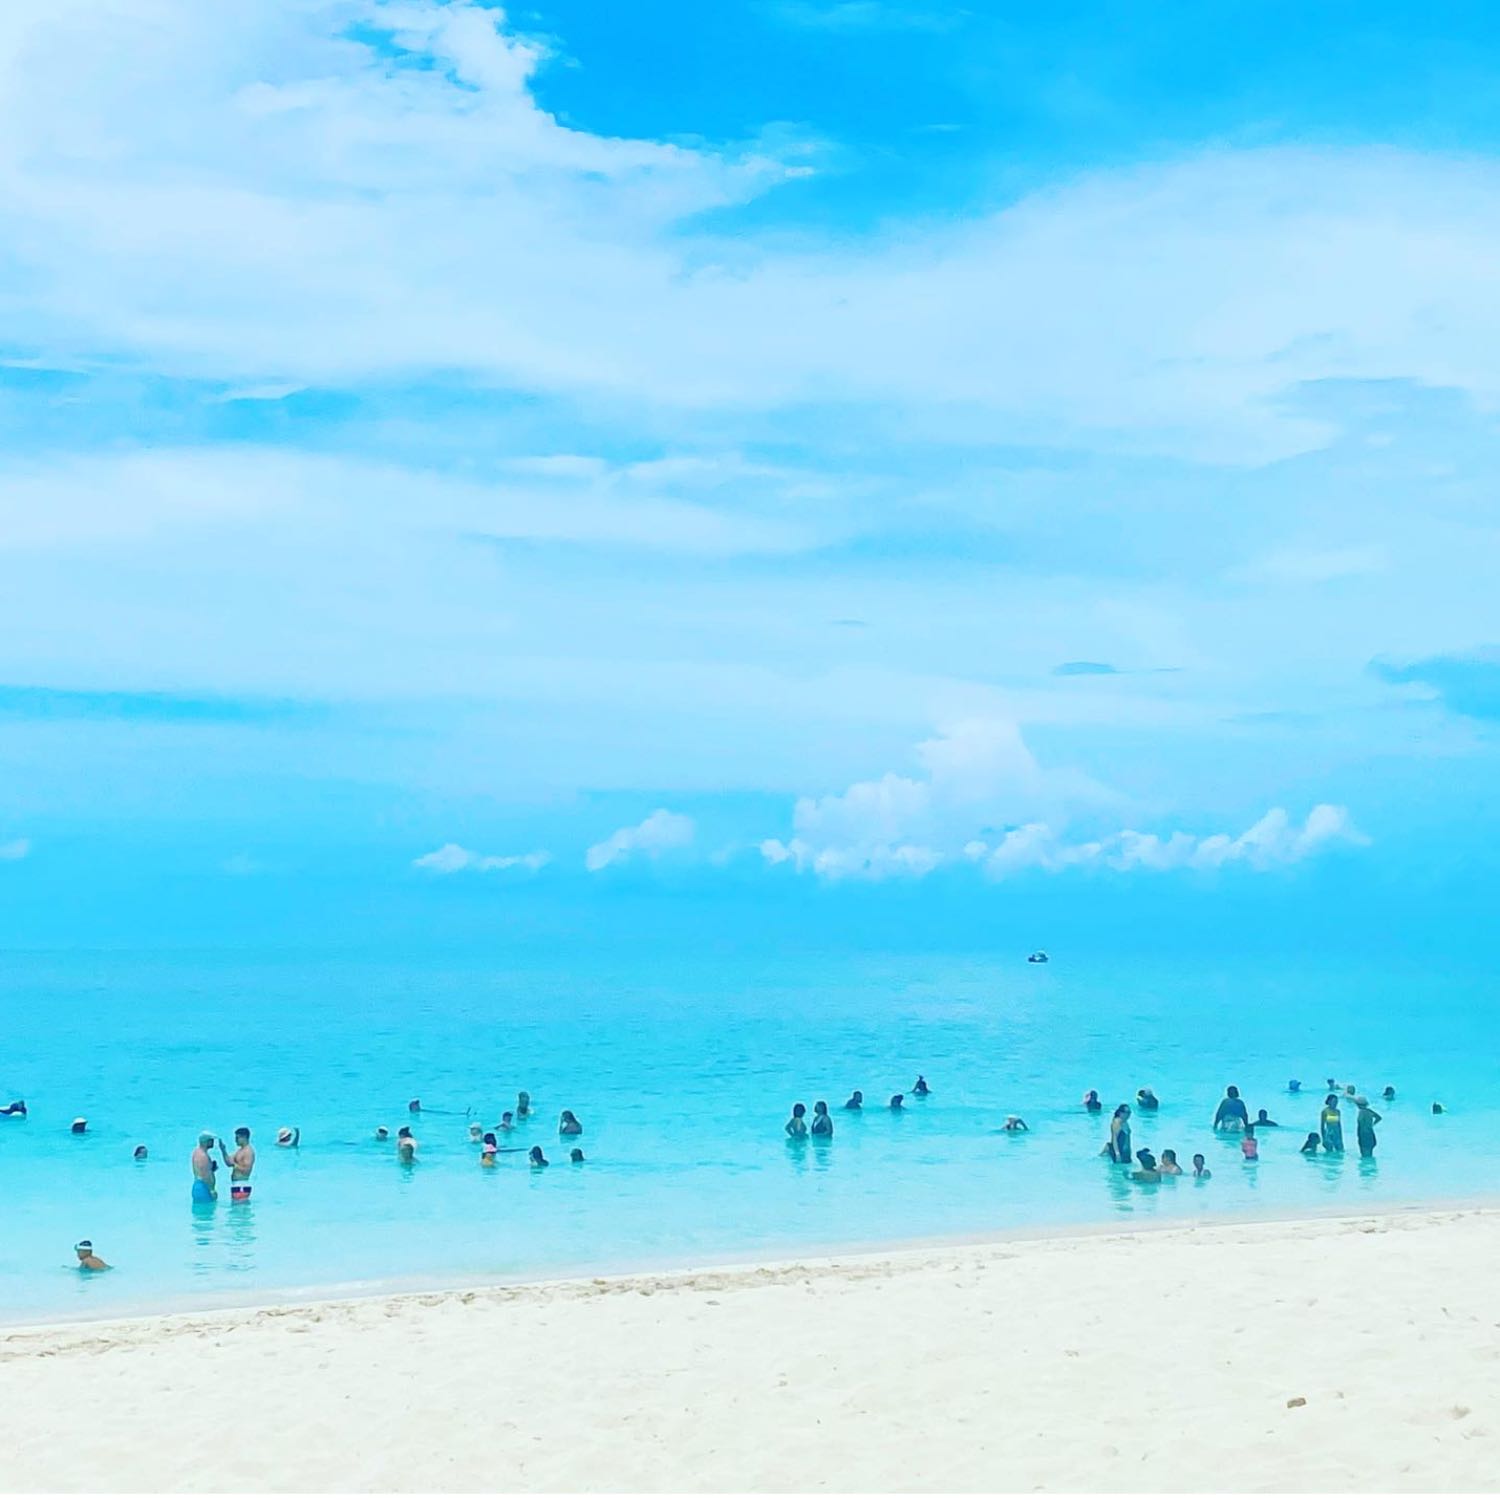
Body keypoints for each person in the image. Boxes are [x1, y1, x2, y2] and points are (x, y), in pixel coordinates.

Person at [220, 1127, 255, 1203]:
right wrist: (223, 1150)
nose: (235, 1140)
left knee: (239, 1211)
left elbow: (247, 1170)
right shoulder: (240, 1151)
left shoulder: (248, 1151)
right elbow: (229, 1163)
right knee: (236, 1211)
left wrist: (235, 1165)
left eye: (237, 1138)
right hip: (237, 1184)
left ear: (244, 1137)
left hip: (242, 1184)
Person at [191, 1132, 218, 1202]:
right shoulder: (203, 1156)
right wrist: (212, 1190)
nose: (213, 1142)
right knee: (207, 1211)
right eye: (211, 1140)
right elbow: (206, 1175)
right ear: (206, 1142)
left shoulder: (196, 1152)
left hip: (198, 1185)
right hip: (204, 1187)